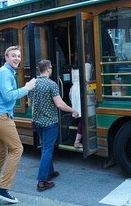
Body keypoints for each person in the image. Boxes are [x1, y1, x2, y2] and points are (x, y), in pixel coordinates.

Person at [0, 46, 36, 204]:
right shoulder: (5, 72)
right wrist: (26, 88)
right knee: (17, 149)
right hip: (0, 116)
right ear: (6, 57)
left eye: (19, 56)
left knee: (1, 153)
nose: (17, 58)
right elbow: (7, 96)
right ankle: (3, 188)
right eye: (13, 56)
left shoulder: (5, 72)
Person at [29, 60, 79, 192]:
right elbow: (59, 104)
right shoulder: (51, 84)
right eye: (51, 67)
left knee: (45, 147)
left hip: (38, 122)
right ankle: (41, 181)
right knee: (47, 150)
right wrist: (73, 110)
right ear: (48, 69)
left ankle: (49, 172)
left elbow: (29, 104)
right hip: (50, 123)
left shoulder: (32, 84)